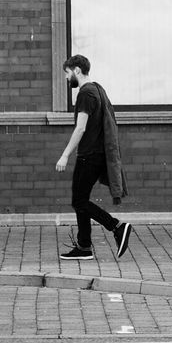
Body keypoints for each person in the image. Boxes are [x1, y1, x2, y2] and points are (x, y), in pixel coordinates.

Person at [55, 54, 131, 260]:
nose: (66, 78)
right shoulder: (97, 90)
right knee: (81, 200)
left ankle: (116, 226)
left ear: (77, 71)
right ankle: (85, 246)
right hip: (96, 155)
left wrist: (64, 155)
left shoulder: (86, 94)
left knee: (79, 201)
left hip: (89, 156)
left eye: (67, 73)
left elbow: (80, 129)